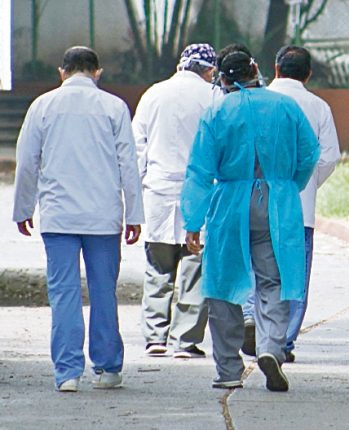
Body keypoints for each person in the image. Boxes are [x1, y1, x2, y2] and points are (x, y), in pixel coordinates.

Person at [181, 50, 319, 391]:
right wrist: (288, 186)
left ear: (223, 80)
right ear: (256, 69)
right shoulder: (286, 106)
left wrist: (193, 220)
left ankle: (228, 368)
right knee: (274, 281)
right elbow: (310, 154)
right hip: (277, 203)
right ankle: (271, 346)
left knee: (224, 285)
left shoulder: (217, 112)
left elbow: (199, 170)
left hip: (230, 203)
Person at [12, 46, 144, 392]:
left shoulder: (42, 105)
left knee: (64, 293)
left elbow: (27, 162)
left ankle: (68, 371)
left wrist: (23, 208)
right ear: (97, 72)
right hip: (103, 216)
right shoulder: (114, 107)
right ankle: (108, 366)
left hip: (58, 216)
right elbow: (128, 165)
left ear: (62, 72)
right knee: (103, 291)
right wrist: (135, 214)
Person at [240, 45, 341, 362]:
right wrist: (303, 185)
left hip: (252, 198)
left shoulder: (254, 101)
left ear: (275, 67)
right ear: (309, 74)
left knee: (256, 266)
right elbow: (328, 157)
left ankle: (252, 320)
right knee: (293, 273)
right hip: (298, 207)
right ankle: (281, 341)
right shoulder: (318, 106)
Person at [132, 43, 218, 359]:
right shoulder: (213, 97)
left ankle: (155, 336)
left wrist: (134, 196)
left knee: (158, 266)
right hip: (202, 192)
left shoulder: (153, 94)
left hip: (157, 192)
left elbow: (137, 148)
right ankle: (186, 339)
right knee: (195, 266)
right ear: (209, 70)